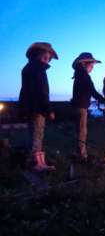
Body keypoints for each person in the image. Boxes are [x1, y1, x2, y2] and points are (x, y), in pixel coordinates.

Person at [19, 42, 58, 172]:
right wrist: (48, 110)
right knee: (37, 134)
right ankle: (34, 164)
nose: (48, 58)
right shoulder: (38, 69)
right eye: (46, 55)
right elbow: (42, 91)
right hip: (37, 108)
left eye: (49, 56)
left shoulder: (29, 68)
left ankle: (39, 163)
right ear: (38, 54)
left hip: (32, 107)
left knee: (36, 134)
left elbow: (27, 91)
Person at [71, 52, 105, 162]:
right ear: (85, 64)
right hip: (81, 107)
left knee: (80, 130)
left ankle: (80, 151)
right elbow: (93, 91)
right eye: (91, 65)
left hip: (78, 106)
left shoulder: (79, 75)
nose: (92, 68)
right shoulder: (84, 76)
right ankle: (82, 156)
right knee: (82, 131)